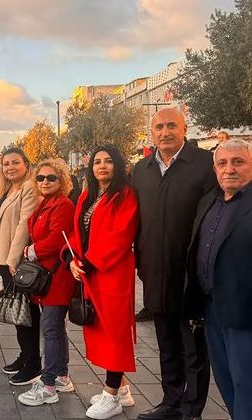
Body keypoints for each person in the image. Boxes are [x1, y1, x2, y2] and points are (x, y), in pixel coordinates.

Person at [133, 108, 216, 420]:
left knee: (193, 345)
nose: (165, 132)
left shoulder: (205, 165)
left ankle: (191, 408)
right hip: (154, 271)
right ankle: (170, 402)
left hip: (191, 274)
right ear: (151, 133)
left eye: (171, 126)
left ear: (185, 128)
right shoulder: (141, 169)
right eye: (159, 127)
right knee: (166, 342)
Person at [65, 145, 139, 419]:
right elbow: (78, 232)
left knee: (114, 332)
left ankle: (111, 395)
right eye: (97, 162)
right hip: (89, 273)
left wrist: (88, 263)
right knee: (100, 330)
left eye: (109, 161)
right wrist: (71, 259)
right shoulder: (88, 195)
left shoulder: (125, 196)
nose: (102, 166)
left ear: (118, 165)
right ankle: (122, 390)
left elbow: (121, 236)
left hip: (112, 275)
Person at [185, 139, 252, 420]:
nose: (229, 170)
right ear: (214, 169)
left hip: (245, 312)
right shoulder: (209, 201)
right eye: (222, 163)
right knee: (225, 380)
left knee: (246, 383)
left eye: (238, 162)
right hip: (212, 308)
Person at [17, 159, 76, 406]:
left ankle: (49, 383)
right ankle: (61, 375)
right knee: (55, 328)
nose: (44, 182)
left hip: (57, 277)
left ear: (61, 180)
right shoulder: (46, 204)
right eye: (40, 178)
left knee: (51, 329)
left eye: (51, 178)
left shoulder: (62, 205)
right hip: (48, 276)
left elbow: (56, 239)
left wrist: (31, 250)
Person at [0, 148, 40, 385]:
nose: (10, 167)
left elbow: (25, 224)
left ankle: (33, 365)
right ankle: (25, 356)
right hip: (4, 258)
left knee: (26, 314)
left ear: (26, 164)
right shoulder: (8, 188)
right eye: (6, 163)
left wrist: (12, 260)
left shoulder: (30, 186)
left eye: (15, 162)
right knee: (18, 313)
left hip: (17, 261)